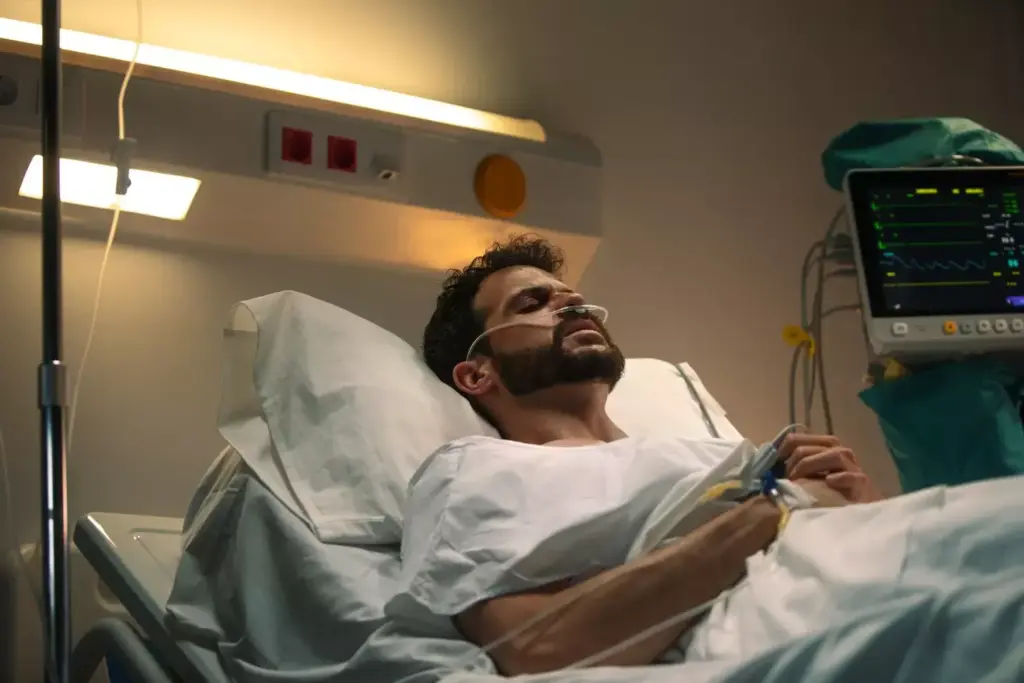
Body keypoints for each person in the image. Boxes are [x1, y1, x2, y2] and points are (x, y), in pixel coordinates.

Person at [410, 234, 882, 675]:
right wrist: (775, 509)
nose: (573, 303)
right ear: (476, 375)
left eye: (571, 296)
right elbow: (535, 647)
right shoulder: (475, 469)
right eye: (532, 302)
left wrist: (858, 508)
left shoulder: (716, 453)